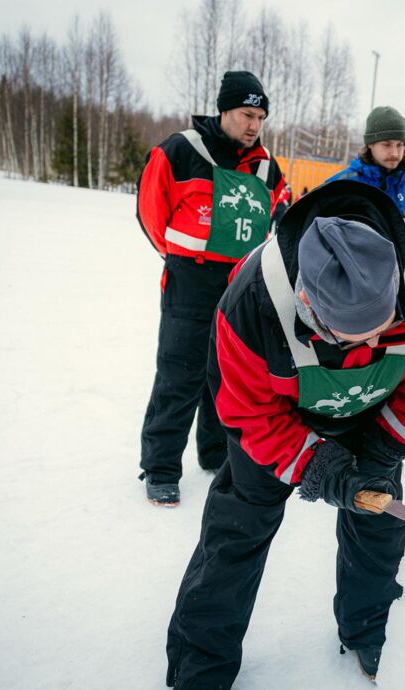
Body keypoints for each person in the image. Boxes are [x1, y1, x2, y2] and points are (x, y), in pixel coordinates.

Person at [164, 179, 405, 690]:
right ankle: (201, 668)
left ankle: (368, 630)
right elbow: (249, 411)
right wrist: (317, 467)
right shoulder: (252, 298)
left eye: (375, 333)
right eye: (339, 335)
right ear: (305, 299)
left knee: (378, 525)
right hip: (279, 419)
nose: (355, 349)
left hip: (377, 415)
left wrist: (380, 450)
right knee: (236, 533)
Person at [136, 70, 287, 506]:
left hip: (240, 289)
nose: (254, 125)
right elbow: (151, 212)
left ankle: (215, 451)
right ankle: (161, 467)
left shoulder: (265, 166)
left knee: (227, 376)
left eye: (260, 116)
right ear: (223, 111)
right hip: (190, 281)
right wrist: (183, 258)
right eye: (246, 114)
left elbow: (280, 210)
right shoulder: (180, 151)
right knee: (179, 375)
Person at [326, 105, 405, 250]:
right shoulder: (341, 185)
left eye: (399, 145)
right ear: (370, 144)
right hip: (351, 270)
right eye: (386, 145)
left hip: (403, 271)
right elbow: (318, 230)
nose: (394, 152)